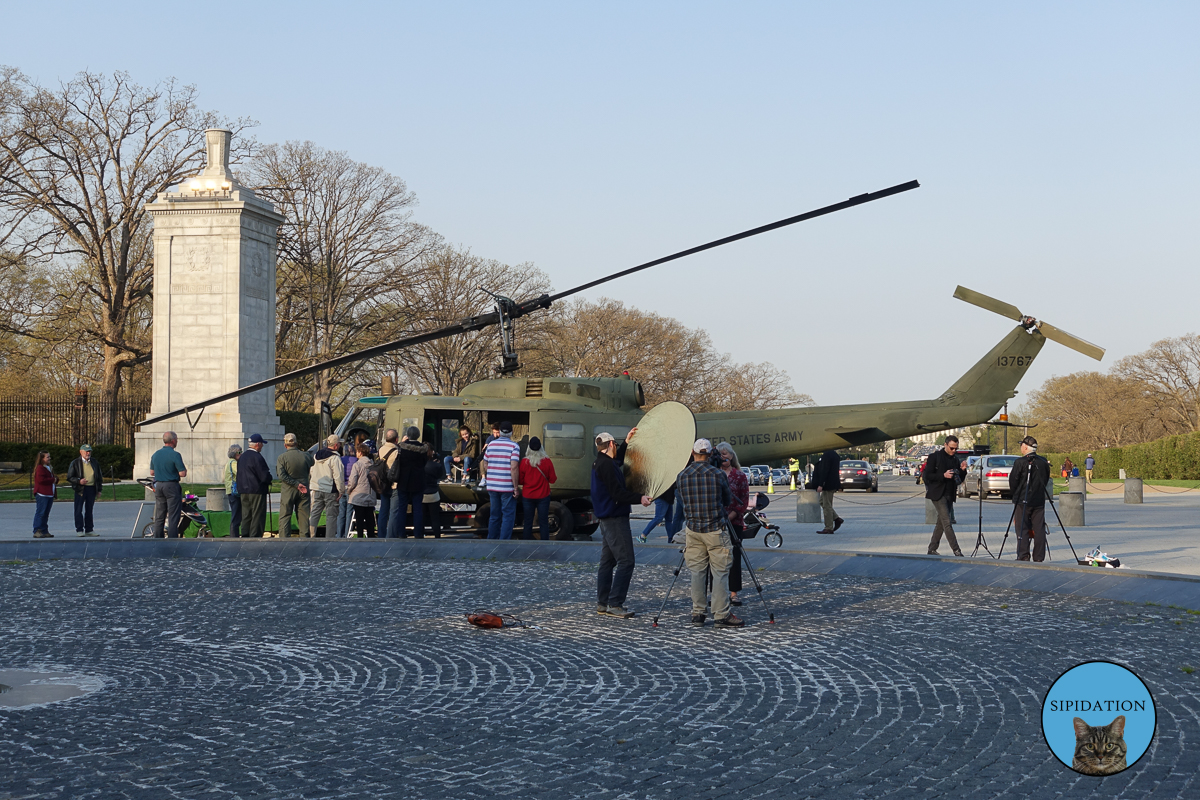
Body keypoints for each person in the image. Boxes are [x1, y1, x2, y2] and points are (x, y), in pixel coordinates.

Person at [677, 438, 742, 627]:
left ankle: (698, 612)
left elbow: (681, 501)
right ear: (709, 455)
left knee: (697, 572)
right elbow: (727, 499)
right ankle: (721, 614)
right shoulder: (717, 474)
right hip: (715, 529)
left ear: (693, 453)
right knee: (720, 572)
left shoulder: (682, 475)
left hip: (693, 529)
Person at [591, 429, 652, 618]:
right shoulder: (607, 466)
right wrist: (639, 498)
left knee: (607, 562)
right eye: (616, 445)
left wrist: (626, 443)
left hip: (605, 518)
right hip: (615, 518)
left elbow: (617, 463)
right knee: (626, 561)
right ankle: (615, 603)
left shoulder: (600, 463)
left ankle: (603, 603)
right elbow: (617, 493)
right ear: (610, 445)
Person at [716, 442, 750, 606]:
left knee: (734, 558)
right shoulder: (713, 474)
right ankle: (717, 592)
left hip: (734, 521)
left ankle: (734, 592)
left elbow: (743, 501)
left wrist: (730, 516)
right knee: (715, 558)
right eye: (720, 454)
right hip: (716, 522)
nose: (723, 457)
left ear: (731, 455)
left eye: (725, 454)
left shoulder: (739, 476)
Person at [1009, 435, 1051, 562]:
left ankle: (1023, 555)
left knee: (1022, 528)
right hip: (1038, 499)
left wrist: (1014, 494)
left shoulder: (1020, 462)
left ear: (1025, 447)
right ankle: (1038, 557)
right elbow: (1046, 479)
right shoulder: (1043, 461)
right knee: (1039, 529)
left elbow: (1013, 481)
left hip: (1023, 500)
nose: (1021, 448)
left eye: (1021, 445)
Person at [924, 436, 966, 557]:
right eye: (952, 448)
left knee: (941, 523)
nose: (954, 451)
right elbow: (927, 476)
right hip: (938, 494)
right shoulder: (935, 457)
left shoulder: (955, 459)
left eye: (956, 449)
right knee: (947, 522)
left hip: (949, 494)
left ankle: (932, 549)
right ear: (945, 445)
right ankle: (957, 551)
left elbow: (959, 479)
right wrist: (943, 475)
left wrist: (963, 470)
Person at [481, 420, 522, 539]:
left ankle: (491, 540)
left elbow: (485, 464)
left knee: (494, 515)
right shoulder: (514, 446)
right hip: (506, 487)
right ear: (511, 432)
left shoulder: (491, 445)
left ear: (499, 432)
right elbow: (514, 467)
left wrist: (493, 473)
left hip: (492, 486)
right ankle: (503, 542)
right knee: (508, 515)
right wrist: (515, 488)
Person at [387, 427, 428, 538]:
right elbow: (424, 463)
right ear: (418, 435)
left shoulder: (402, 447)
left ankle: (401, 533)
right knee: (418, 509)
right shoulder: (423, 449)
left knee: (402, 508)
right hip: (418, 481)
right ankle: (418, 534)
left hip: (404, 481)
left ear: (408, 435)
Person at [149, 431, 187, 539]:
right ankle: (172, 540)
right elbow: (182, 473)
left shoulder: (155, 454)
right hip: (171, 486)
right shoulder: (175, 455)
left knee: (159, 515)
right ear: (173, 440)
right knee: (173, 515)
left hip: (159, 486)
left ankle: (157, 539)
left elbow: (152, 472)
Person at [519, 436, 557, 540]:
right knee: (543, 522)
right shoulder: (547, 461)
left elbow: (520, 480)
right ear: (541, 447)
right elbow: (553, 479)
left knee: (527, 522)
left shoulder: (524, 462)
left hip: (528, 495)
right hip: (543, 496)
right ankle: (545, 544)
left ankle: (527, 543)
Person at [276, 433, 314, 538]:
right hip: (304, 489)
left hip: (288, 489)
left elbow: (282, 476)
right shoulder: (306, 456)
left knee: (285, 516)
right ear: (296, 443)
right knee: (304, 516)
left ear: (285, 445)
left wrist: (295, 484)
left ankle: (284, 541)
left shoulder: (282, 458)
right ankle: (305, 540)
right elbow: (312, 465)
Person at [237, 433, 273, 538]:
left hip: (243, 490)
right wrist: (269, 479)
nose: (262, 446)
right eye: (261, 444)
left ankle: (245, 535)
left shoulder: (242, 457)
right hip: (256, 490)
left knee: (246, 515)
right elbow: (264, 475)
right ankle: (255, 536)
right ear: (257, 444)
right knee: (257, 515)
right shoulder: (257, 457)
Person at [310, 435, 346, 538]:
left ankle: (310, 535)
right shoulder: (335, 458)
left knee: (315, 513)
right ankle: (329, 540)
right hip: (330, 490)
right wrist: (341, 490)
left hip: (317, 488)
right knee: (331, 516)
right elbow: (338, 475)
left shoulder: (316, 455)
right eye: (339, 443)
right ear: (335, 445)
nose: (340, 445)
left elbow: (312, 470)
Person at [66, 444, 102, 537]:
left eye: (89, 451)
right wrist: (79, 481)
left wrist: (99, 490)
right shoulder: (75, 463)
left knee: (89, 510)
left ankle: (89, 529)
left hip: (91, 488)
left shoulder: (94, 462)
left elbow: (99, 477)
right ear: (81, 452)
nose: (88, 453)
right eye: (86, 451)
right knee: (78, 510)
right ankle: (79, 529)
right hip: (80, 489)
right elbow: (70, 477)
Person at [345, 442, 377, 537]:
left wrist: (349, 490)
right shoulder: (373, 464)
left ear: (360, 452)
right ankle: (371, 537)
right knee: (369, 518)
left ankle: (360, 538)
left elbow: (353, 480)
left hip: (359, 495)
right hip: (370, 495)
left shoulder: (357, 465)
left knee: (359, 519)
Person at [376, 429, 401, 539]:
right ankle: (391, 536)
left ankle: (381, 535)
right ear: (396, 439)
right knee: (394, 512)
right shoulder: (396, 452)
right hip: (394, 484)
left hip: (383, 483)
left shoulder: (381, 449)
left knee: (383, 511)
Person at [811, 449, 843, 534]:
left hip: (828, 485)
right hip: (832, 483)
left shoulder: (827, 455)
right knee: (822, 502)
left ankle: (828, 527)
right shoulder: (834, 455)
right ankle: (836, 518)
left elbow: (824, 470)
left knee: (827, 505)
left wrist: (821, 484)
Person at [31, 450, 57, 538]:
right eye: (47, 457)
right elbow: (41, 480)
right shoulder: (40, 468)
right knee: (40, 513)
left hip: (49, 494)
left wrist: (55, 479)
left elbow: (52, 477)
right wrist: (53, 480)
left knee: (46, 513)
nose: (49, 458)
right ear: (42, 459)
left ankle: (44, 530)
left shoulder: (48, 467)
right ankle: (37, 530)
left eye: (49, 456)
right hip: (42, 494)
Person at [422, 447, 445, 537]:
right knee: (435, 518)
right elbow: (440, 475)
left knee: (422, 518)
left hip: (422, 494)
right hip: (433, 494)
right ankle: (437, 536)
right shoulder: (437, 465)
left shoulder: (419, 465)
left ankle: (421, 535)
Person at [224, 445, 242, 537]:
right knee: (236, 516)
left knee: (236, 514)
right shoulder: (234, 463)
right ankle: (234, 536)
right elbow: (240, 472)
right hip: (234, 492)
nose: (241, 454)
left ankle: (234, 535)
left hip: (230, 491)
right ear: (234, 454)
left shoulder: (228, 463)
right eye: (239, 452)